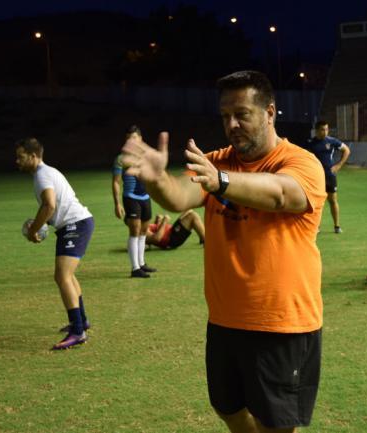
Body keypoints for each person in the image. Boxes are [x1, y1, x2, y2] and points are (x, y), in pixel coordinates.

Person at [122, 70, 326, 433]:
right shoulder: (217, 160)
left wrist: (222, 181)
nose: (232, 124)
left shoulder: (301, 163)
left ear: (269, 113)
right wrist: (157, 182)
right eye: (225, 116)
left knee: (274, 424)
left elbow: (281, 194)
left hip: (280, 324)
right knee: (227, 408)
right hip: (225, 320)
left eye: (242, 114)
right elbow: (181, 196)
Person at [15, 137, 95, 350]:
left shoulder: (42, 175)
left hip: (75, 225)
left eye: (21, 157)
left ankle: (78, 331)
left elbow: (49, 205)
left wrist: (33, 230)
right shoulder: (47, 172)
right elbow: (53, 207)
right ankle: (82, 320)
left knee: (62, 276)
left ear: (33, 156)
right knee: (67, 275)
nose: (17, 161)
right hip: (74, 225)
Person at [112, 125, 157, 278]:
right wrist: (117, 203)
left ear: (140, 139)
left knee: (144, 231)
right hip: (131, 198)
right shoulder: (121, 159)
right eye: (129, 139)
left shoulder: (146, 157)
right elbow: (116, 182)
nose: (132, 141)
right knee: (135, 231)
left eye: (135, 138)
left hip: (145, 197)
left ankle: (142, 263)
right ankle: (135, 268)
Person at [300, 120, 350, 233]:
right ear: (316, 130)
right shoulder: (310, 143)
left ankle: (337, 226)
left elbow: (346, 150)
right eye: (322, 129)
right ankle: (316, 227)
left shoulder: (332, 141)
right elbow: (303, 157)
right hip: (316, 177)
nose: (325, 132)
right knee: (317, 202)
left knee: (333, 200)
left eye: (327, 129)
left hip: (330, 176)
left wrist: (339, 165)